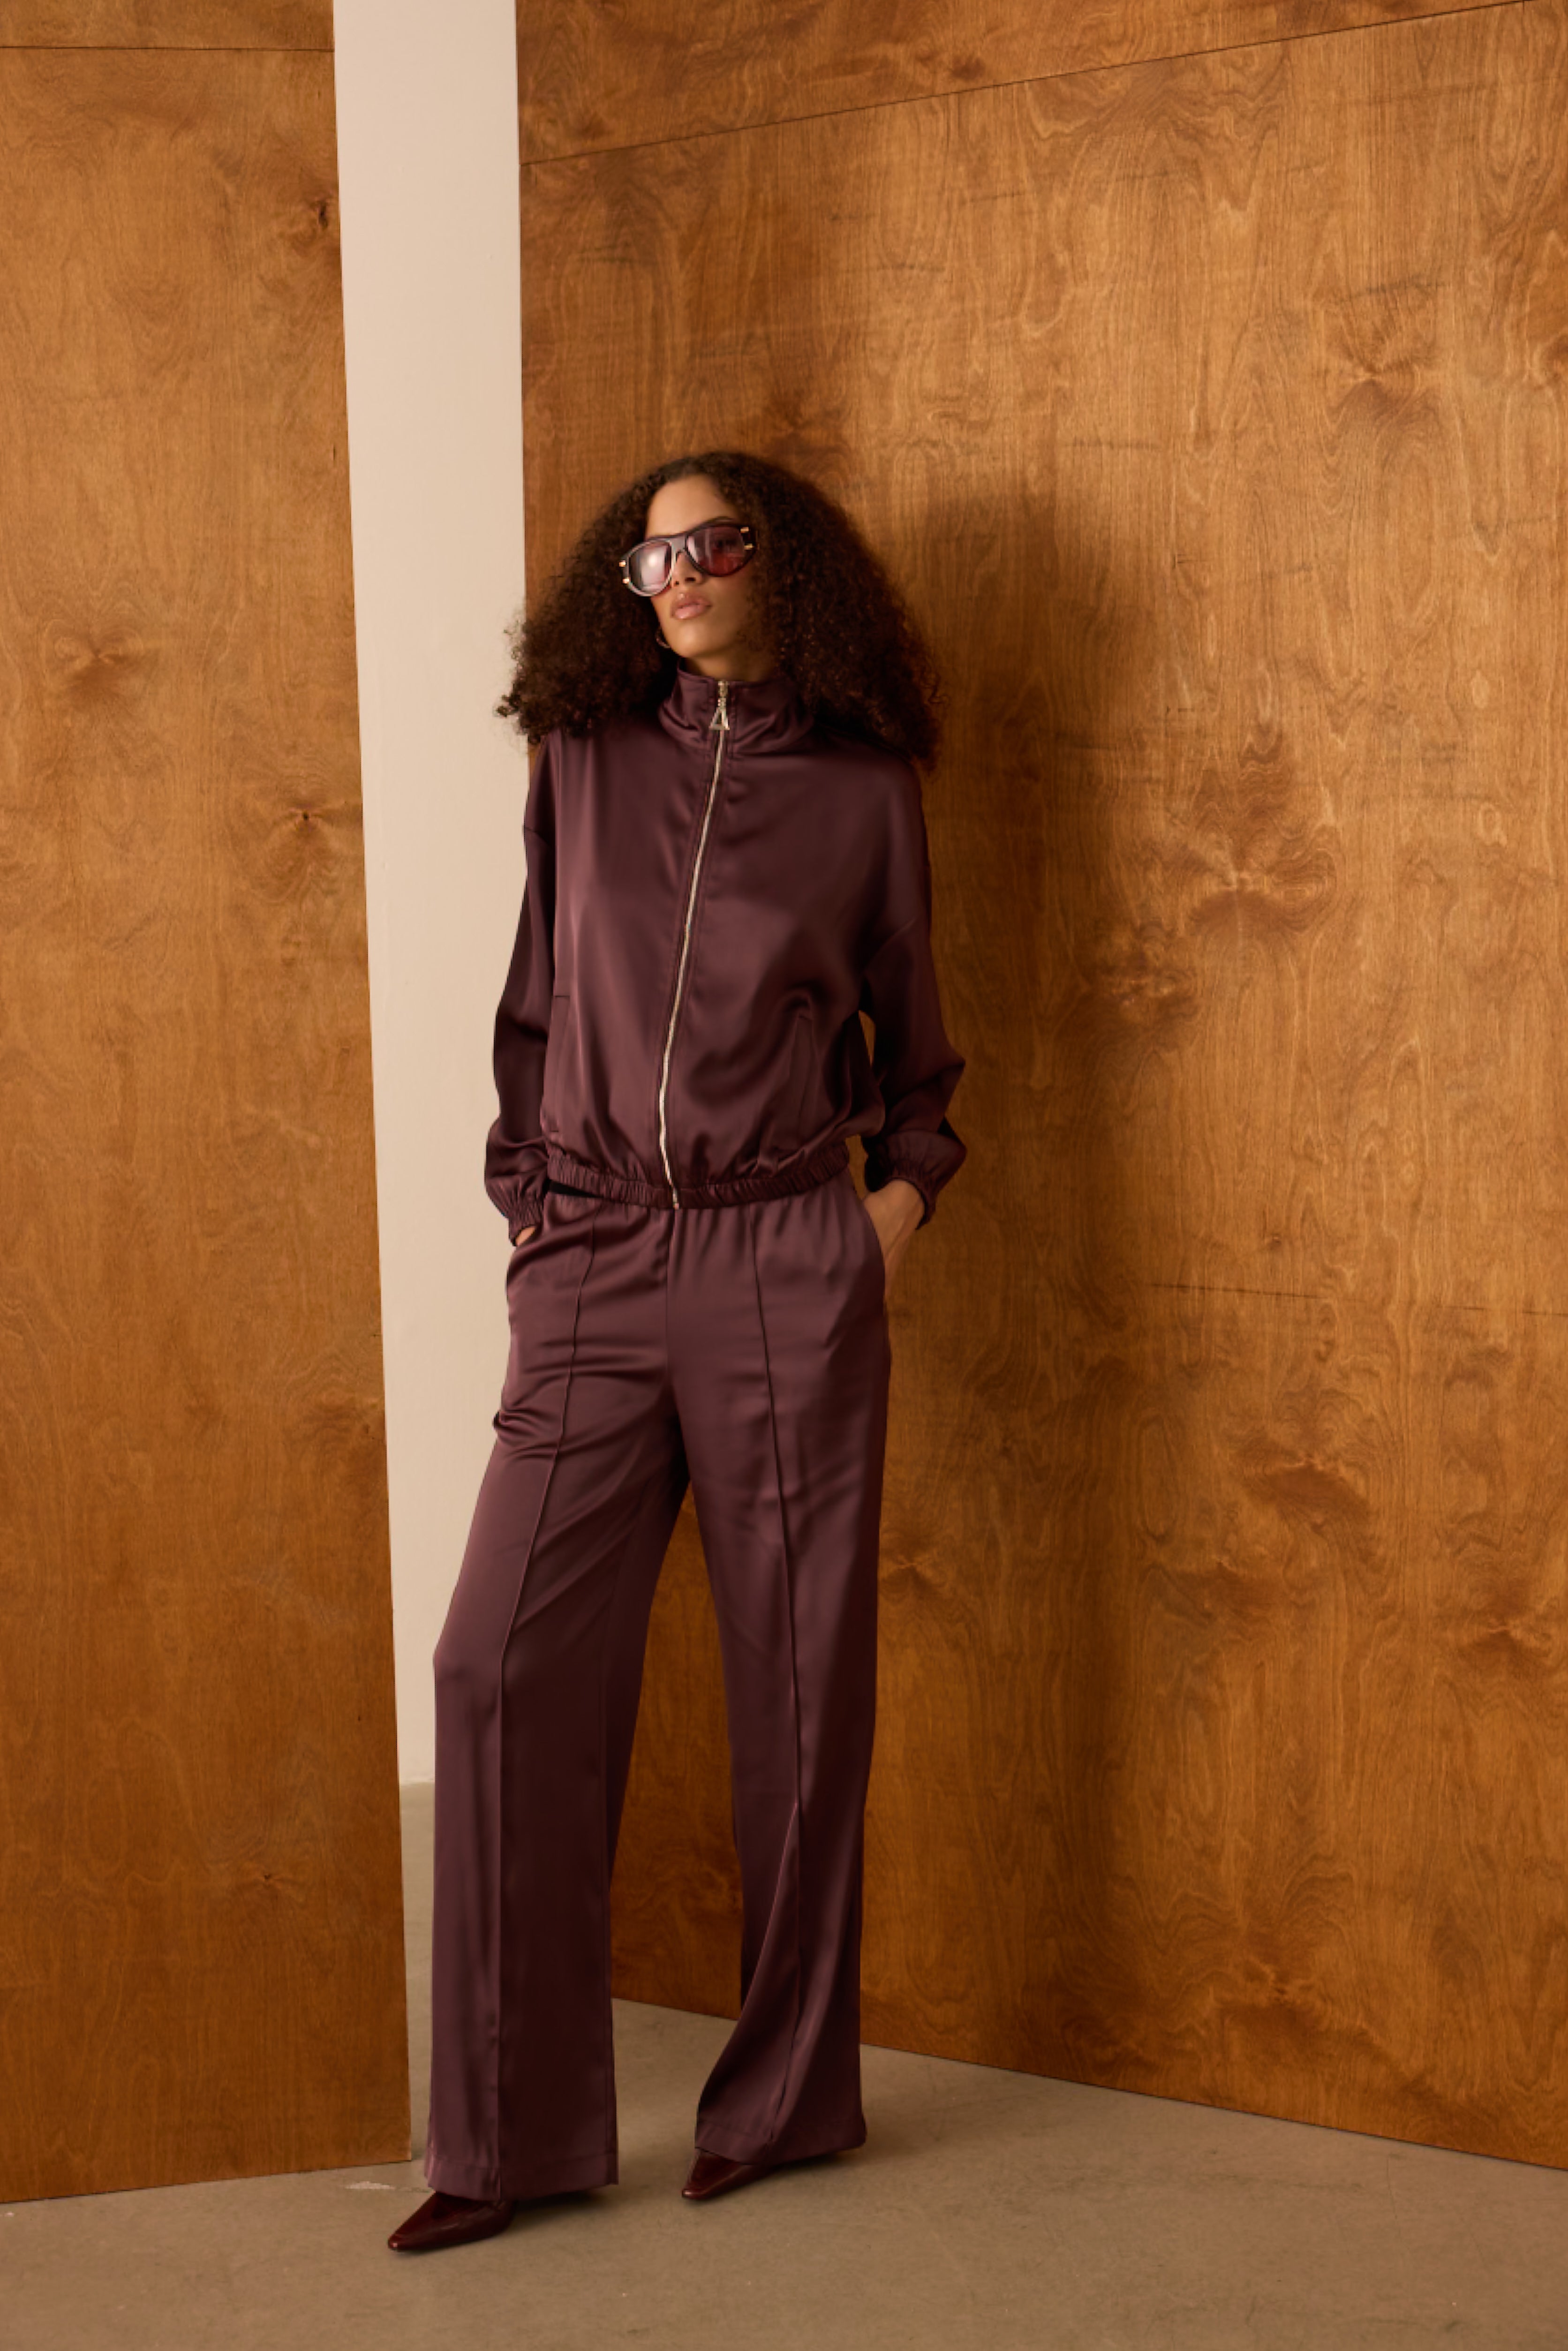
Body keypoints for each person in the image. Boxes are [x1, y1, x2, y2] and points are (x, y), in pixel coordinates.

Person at [389, 450, 967, 2253]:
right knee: (496, 1665)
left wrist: (888, 1214)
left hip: (785, 1259)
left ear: (781, 562)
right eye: (651, 558)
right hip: (592, 1258)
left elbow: (921, 1066)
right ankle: (506, 2143)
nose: (682, 574)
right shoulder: (585, 756)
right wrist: (532, 1211)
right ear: (622, 590)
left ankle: (783, 2105)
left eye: (713, 544)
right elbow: (534, 1004)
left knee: (799, 1693)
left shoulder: (865, 793)